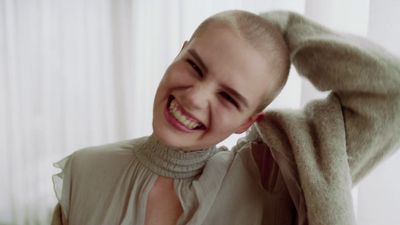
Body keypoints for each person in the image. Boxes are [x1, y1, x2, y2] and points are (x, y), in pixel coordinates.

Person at [51, 10, 400, 225]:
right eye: (194, 65)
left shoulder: (275, 181)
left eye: (229, 97)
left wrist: (279, 31)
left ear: (249, 121)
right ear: (179, 51)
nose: (194, 98)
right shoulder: (84, 172)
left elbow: (392, 93)